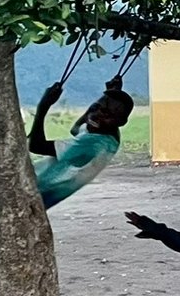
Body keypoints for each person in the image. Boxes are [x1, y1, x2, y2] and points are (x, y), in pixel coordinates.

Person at [28, 81, 133, 210]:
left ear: (121, 122)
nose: (97, 115)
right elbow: (76, 129)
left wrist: (43, 106)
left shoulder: (93, 146)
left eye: (107, 114)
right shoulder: (110, 136)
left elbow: (36, 146)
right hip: (34, 196)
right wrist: (110, 96)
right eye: (96, 107)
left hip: (30, 196)